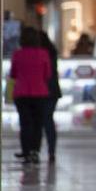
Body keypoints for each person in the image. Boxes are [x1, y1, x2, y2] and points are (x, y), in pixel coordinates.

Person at [10, 28, 54, 165]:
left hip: (21, 92)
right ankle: (35, 151)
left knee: (25, 123)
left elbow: (13, 74)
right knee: (37, 123)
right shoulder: (43, 54)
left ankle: (26, 151)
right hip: (40, 92)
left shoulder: (17, 54)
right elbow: (47, 74)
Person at [37, 30, 60, 162]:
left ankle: (36, 150)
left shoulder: (40, 54)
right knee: (48, 120)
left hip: (41, 90)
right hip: (52, 90)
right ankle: (51, 151)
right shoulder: (52, 53)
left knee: (39, 122)